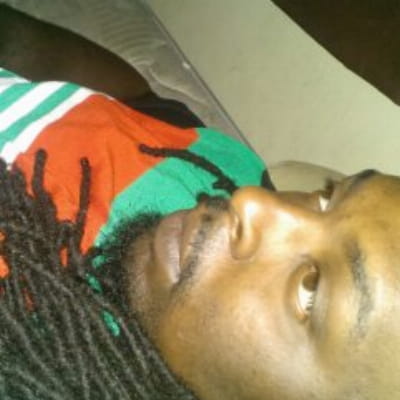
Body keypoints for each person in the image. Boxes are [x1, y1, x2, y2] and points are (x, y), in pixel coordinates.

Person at [1, 5, 400, 400]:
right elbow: (138, 97)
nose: (251, 202)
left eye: (310, 291)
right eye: (328, 198)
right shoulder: (225, 167)